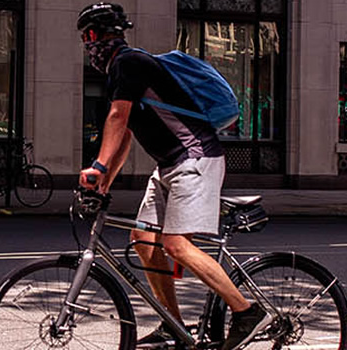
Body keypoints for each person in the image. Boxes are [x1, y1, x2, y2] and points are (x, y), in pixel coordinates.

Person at [75, 3, 272, 349]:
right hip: (170, 166)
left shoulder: (128, 62)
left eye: (88, 37)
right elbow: (127, 133)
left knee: (176, 244)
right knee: (143, 239)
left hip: (195, 159)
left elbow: (117, 118)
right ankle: (173, 326)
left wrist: (99, 167)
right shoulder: (122, 70)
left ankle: (247, 312)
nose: (87, 46)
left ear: (101, 35)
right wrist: (106, 179)